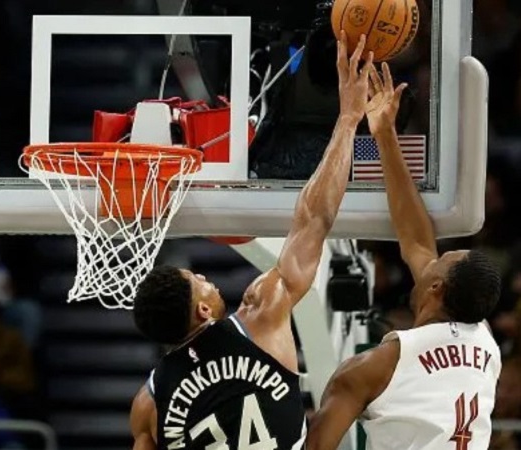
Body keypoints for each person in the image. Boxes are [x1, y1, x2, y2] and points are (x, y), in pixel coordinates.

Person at [129, 32, 374, 449]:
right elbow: (314, 219)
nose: (204, 274)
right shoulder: (262, 313)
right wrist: (349, 118)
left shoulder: (148, 403)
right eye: (197, 279)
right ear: (204, 309)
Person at [307, 62, 502, 450]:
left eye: (440, 260)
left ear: (435, 287)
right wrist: (385, 135)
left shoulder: (373, 368)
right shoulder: (486, 342)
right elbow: (417, 243)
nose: (432, 256)